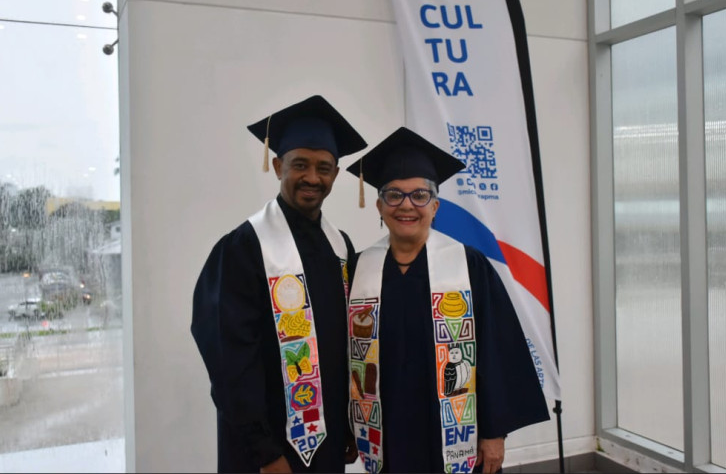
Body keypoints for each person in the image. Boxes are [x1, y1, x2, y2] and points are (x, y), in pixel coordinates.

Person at [344, 127, 550, 474]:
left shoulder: (468, 266)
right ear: (379, 206)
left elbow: (497, 352)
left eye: (419, 195)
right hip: (387, 434)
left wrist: (494, 432)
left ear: (435, 206)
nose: (407, 205)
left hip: (457, 437)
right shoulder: (358, 268)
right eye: (394, 195)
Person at [191, 95, 367, 473]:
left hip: (328, 439)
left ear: (336, 174)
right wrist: (265, 452)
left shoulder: (341, 248)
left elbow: (348, 347)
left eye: (324, 168)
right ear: (277, 166)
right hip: (267, 453)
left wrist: (351, 424)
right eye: (299, 165)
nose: (312, 178)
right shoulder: (243, 248)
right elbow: (229, 361)